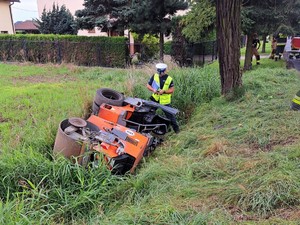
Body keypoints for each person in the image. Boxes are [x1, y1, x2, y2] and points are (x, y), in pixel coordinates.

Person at [146, 63, 180, 134]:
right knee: (148, 114)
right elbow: (148, 85)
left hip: (165, 101)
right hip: (155, 99)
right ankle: (146, 130)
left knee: (170, 116)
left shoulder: (169, 79)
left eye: (160, 72)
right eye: (158, 72)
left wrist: (164, 91)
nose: (159, 74)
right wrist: (153, 90)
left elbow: (172, 90)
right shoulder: (155, 76)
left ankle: (177, 131)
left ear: (164, 71)